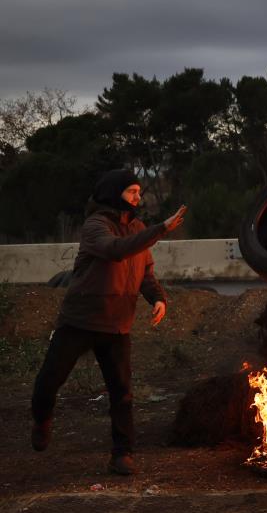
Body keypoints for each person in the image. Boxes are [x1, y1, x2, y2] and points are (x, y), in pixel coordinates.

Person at [30, 168, 186, 476]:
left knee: (122, 392)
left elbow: (146, 273)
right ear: (114, 193)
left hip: (117, 325)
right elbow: (115, 251)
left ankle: (122, 453)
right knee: (48, 382)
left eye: (139, 192)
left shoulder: (138, 227)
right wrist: (160, 229)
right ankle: (42, 419)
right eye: (132, 191)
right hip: (80, 320)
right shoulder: (96, 225)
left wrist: (158, 298)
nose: (138, 197)